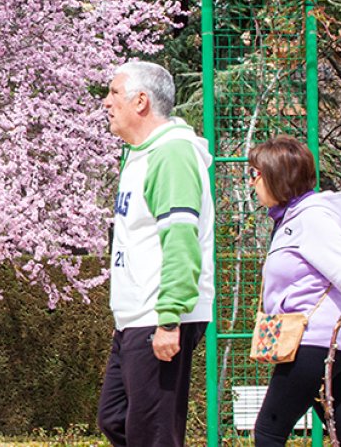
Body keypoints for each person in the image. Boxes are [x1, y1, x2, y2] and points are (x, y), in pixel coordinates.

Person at [97, 60, 215, 446]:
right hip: (135, 316)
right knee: (115, 418)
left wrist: (169, 319)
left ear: (141, 101)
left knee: (153, 435)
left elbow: (180, 239)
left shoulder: (171, 154)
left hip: (159, 314)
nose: (106, 102)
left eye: (114, 93)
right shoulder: (140, 155)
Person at [249, 136, 341, 446]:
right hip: (331, 343)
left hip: (312, 341)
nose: (252, 182)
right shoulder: (293, 218)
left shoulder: (311, 218)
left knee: (268, 432)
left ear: (276, 175)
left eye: (255, 173)